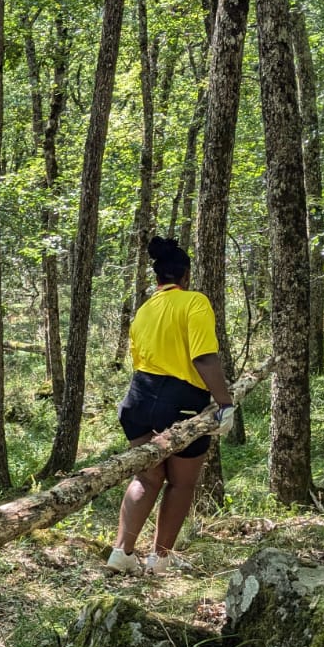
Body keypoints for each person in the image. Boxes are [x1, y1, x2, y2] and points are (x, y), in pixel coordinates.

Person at [107, 236, 235, 576]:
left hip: (137, 400)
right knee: (181, 483)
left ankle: (121, 553)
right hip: (180, 404)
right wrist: (225, 403)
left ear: (157, 278)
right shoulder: (195, 302)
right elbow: (204, 357)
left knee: (147, 478)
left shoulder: (144, 309)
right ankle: (159, 559)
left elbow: (140, 360)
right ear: (186, 276)